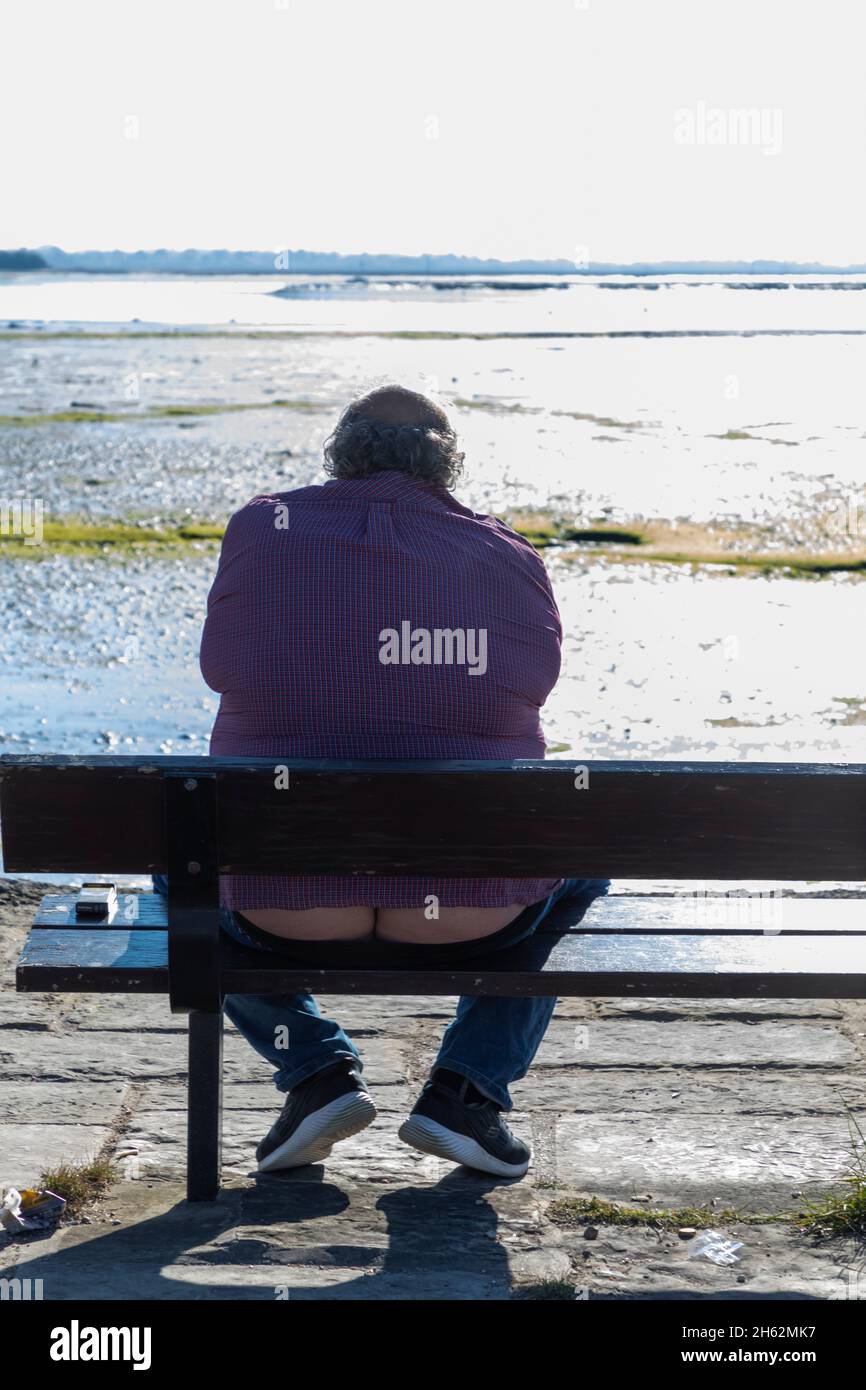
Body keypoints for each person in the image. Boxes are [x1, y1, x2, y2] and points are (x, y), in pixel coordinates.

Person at [175, 384, 609, 1179]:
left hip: (286, 908)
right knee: (580, 850)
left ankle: (314, 1073)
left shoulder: (260, 527)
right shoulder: (508, 554)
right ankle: (466, 1091)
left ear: (343, 451)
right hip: (470, 915)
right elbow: (536, 683)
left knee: (183, 852)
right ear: (448, 464)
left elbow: (218, 668)